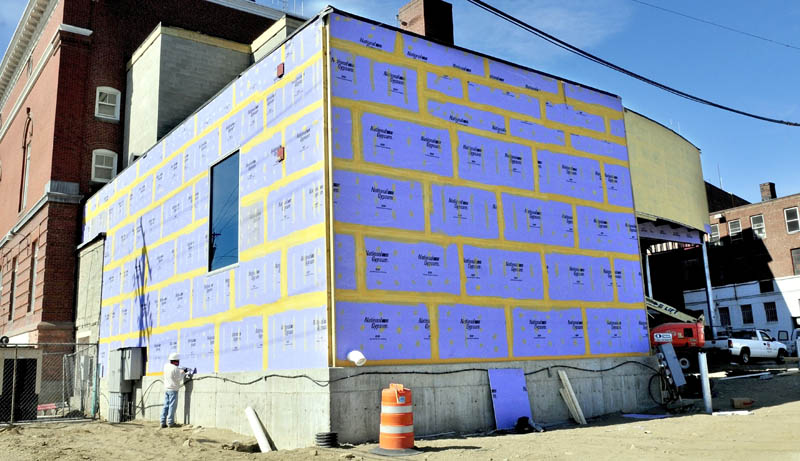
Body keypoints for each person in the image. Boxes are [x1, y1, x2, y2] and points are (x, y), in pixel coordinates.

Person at [160, 352, 186, 428]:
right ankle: (171, 423)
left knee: (166, 406)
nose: (178, 362)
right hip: (173, 390)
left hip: (167, 389)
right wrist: (183, 372)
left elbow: (173, 373)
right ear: (175, 361)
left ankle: (162, 422)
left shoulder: (166, 366)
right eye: (178, 361)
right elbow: (179, 379)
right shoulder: (176, 368)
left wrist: (179, 370)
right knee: (172, 406)